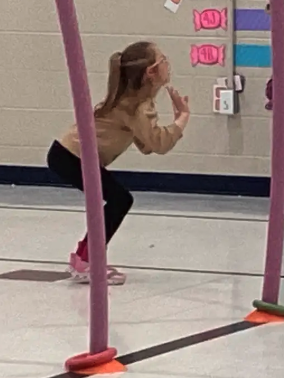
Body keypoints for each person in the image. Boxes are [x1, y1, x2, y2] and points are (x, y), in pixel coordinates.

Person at [46, 41, 190, 285]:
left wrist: (160, 131)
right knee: (120, 199)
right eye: (163, 59)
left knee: (117, 199)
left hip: (66, 155)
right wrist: (182, 119)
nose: (168, 63)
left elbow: (145, 144)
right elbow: (158, 144)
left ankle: (84, 257)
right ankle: (87, 260)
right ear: (150, 72)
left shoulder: (134, 101)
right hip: (71, 157)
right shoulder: (136, 106)